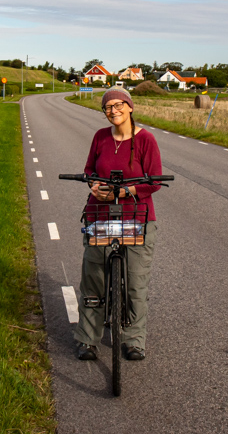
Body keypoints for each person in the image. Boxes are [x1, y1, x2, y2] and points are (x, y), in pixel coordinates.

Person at [74, 87, 163, 361]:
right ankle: (88, 339)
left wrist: (126, 192)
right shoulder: (100, 137)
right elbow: (89, 168)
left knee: (136, 284)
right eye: (108, 107)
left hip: (137, 218)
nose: (113, 110)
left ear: (130, 107)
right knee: (94, 280)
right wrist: (93, 184)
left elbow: (155, 180)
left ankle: (134, 340)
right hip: (100, 215)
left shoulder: (146, 140)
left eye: (118, 105)